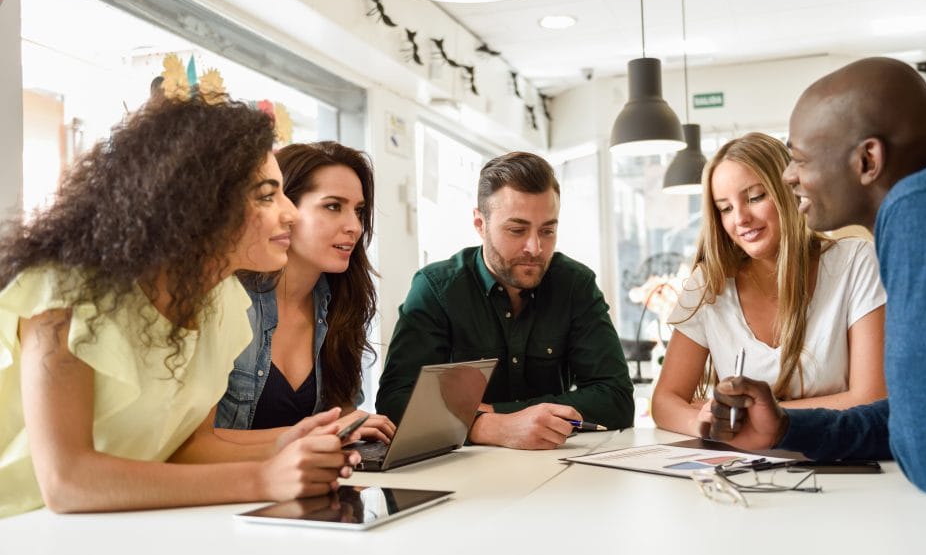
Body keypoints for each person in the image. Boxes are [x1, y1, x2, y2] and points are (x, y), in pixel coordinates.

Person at [0, 95, 361, 518]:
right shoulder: (61, 293)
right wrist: (263, 478)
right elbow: (67, 482)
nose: (290, 215)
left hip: (122, 526)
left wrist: (287, 444)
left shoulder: (224, 303)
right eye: (267, 196)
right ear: (199, 204)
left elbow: (191, 446)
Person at [706, 57, 926, 496]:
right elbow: (912, 416)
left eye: (799, 158)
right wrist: (783, 426)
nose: (788, 175)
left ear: (867, 159)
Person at [375, 151, 634, 450]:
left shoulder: (575, 284)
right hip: (464, 478)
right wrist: (488, 427)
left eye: (547, 230)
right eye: (517, 230)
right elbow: (395, 402)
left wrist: (497, 412)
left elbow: (616, 399)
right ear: (479, 224)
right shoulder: (437, 289)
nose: (535, 248)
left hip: (556, 470)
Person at [652, 133, 886, 437]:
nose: (741, 219)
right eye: (725, 208)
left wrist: (757, 415)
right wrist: (700, 422)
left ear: (788, 190)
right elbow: (665, 401)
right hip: (744, 467)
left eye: (755, 197)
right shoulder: (708, 284)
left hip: (839, 461)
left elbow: (871, 399)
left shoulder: (856, 262)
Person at [214, 142, 395, 444]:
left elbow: (342, 416)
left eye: (359, 211)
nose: (354, 227)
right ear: (284, 209)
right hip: (229, 488)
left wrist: (353, 429)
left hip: (301, 485)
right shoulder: (228, 301)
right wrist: (319, 434)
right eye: (333, 206)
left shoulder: (342, 303)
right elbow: (192, 446)